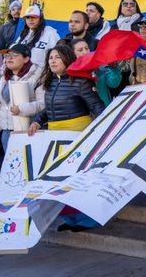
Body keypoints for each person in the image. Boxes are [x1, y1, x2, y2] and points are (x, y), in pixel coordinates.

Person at [28, 44, 104, 232]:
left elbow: (97, 107)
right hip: (55, 136)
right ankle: (70, 219)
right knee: (61, 182)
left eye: (57, 57)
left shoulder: (81, 82)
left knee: (79, 180)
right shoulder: (51, 82)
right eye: (50, 58)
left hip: (77, 135)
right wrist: (37, 121)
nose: (52, 61)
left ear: (67, 60)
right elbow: (49, 109)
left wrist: (104, 130)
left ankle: (87, 220)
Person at [0, 44, 44, 152]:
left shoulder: (37, 77)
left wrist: (21, 109)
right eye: (7, 56)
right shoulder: (3, 78)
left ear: (26, 59)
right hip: (6, 131)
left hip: (28, 130)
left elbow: (42, 104)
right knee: (10, 166)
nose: (9, 58)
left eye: (14, 55)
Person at [70, 39, 121, 106]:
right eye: (80, 50)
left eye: (86, 48)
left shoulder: (100, 67)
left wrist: (114, 69)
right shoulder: (72, 73)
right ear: (73, 54)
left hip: (105, 109)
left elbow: (114, 84)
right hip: (86, 113)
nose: (85, 52)